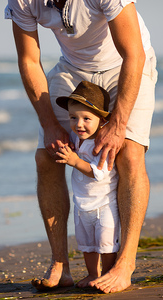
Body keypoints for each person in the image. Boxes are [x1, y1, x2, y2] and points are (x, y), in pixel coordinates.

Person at [5, 0, 157, 293]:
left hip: (125, 64)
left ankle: (124, 264)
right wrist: (49, 124)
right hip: (72, 69)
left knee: (129, 153)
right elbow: (29, 61)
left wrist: (118, 124)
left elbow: (134, 54)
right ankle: (60, 265)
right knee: (48, 156)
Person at [55, 81, 120, 288]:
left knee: (105, 242)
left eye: (86, 119)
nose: (79, 124)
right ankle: (93, 274)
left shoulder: (102, 143)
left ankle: (108, 273)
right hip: (82, 203)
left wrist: (75, 161)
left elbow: (100, 173)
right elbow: (73, 144)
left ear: (101, 121)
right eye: (73, 118)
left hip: (104, 203)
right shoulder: (77, 137)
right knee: (87, 245)